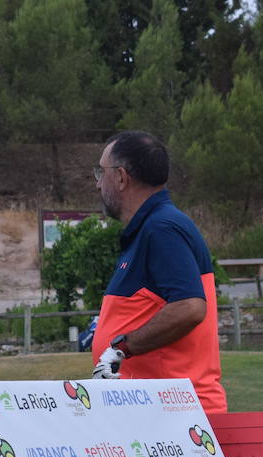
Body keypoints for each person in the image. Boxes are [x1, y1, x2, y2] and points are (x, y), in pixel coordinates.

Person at [89, 131, 226, 413]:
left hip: (175, 417)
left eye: (101, 173)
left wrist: (121, 347)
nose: (98, 184)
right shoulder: (153, 227)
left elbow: (190, 307)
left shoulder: (161, 228)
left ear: (121, 177)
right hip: (159, 414)